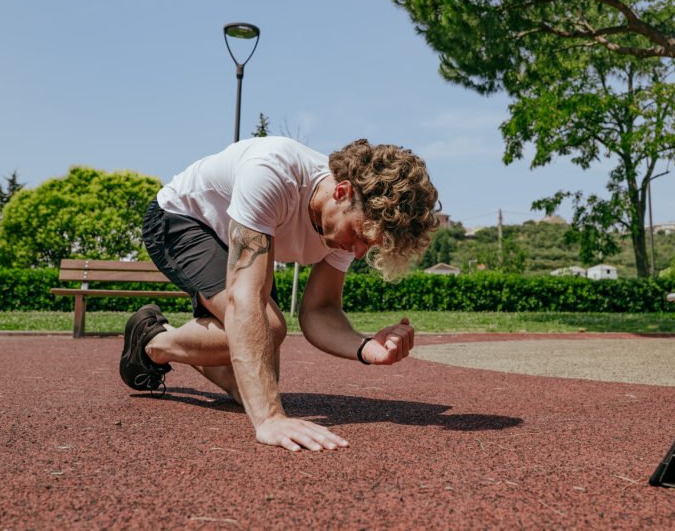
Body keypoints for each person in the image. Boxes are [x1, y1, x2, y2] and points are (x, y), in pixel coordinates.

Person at [120, 136, 440, 452]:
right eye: (358, 236)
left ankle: (155, 342)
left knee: (245, 382)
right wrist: (269, 418)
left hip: (232, 237)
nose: (357, 253)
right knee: (267, 331)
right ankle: (153, 344)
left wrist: (367, 347)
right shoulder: (272, 172)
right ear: (342, 192)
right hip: (180, 219)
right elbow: (244, 299)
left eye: (368, 245)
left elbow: (320, 310)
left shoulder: (344, 220)